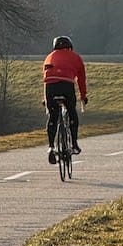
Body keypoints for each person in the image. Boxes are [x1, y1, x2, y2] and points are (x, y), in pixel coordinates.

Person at [43, 35, 88, 164]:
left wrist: (46, 100)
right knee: (72, 112)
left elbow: (46, 79)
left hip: (50, 87)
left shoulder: (48, 57)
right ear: (70, 47)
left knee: (53, 116)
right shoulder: (75, 57)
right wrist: (83, 97)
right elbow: (81, 79)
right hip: (66, 86)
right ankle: (74, 144)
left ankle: (51, 147)